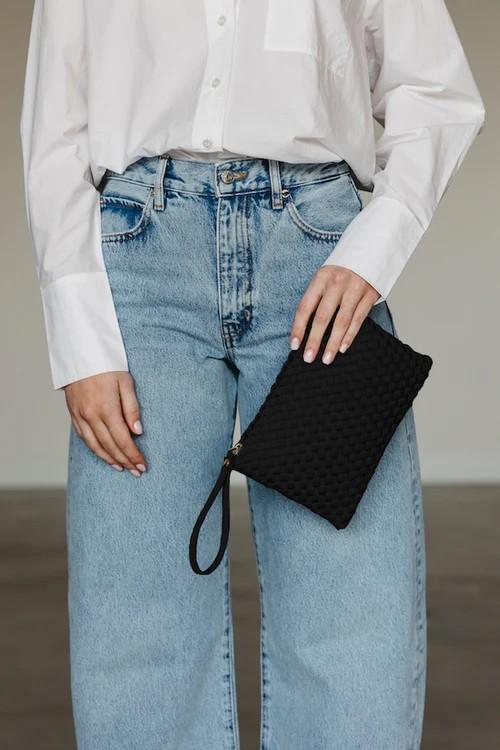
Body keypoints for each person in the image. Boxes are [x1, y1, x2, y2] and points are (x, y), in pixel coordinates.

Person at [20, 1, 485, 748]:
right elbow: (55, 119)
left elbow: (436, 92)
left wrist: (375, 248)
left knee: (349, 609)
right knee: (135, 619)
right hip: (142, 263)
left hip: (317, 253)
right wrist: (79, 333)